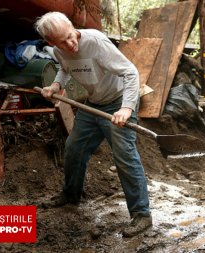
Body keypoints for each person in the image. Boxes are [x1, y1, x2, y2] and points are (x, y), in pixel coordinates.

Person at [34, 11, 151, 237]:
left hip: (118, 102)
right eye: (62, 41)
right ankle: (71, 195)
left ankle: (141, 215)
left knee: (125, 156)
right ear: (51, 43)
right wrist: (56, 86)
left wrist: (126, 108)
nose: (71, 43)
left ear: (71, 26)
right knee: (74, 148)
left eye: (71, 35)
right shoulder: (59, 51)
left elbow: (130, 72)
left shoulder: (96, 41)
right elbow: (64, 68)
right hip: (93, 104)